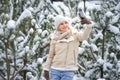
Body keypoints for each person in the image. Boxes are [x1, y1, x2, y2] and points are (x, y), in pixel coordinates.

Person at [43, 15, 94, 80]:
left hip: (69, 70)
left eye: (66, 23)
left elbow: (84, 36)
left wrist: (89, 25)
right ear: (58, 27)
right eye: (61, 24)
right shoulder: (55, 38)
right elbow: (50, 55)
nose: (64, 25)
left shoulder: (75, 35)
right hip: (55, 69)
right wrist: (46, 69)